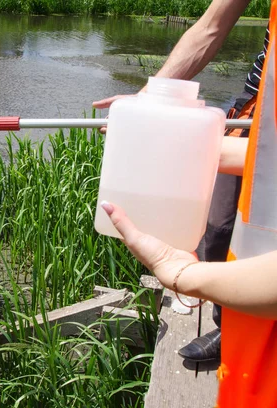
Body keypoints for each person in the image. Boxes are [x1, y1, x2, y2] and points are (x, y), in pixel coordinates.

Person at [99, 2, 277, 405]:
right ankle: (230, 320)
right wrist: (152, 105)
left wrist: (183, 275)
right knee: (218, 228)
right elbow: (210, 27)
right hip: (260, 115)